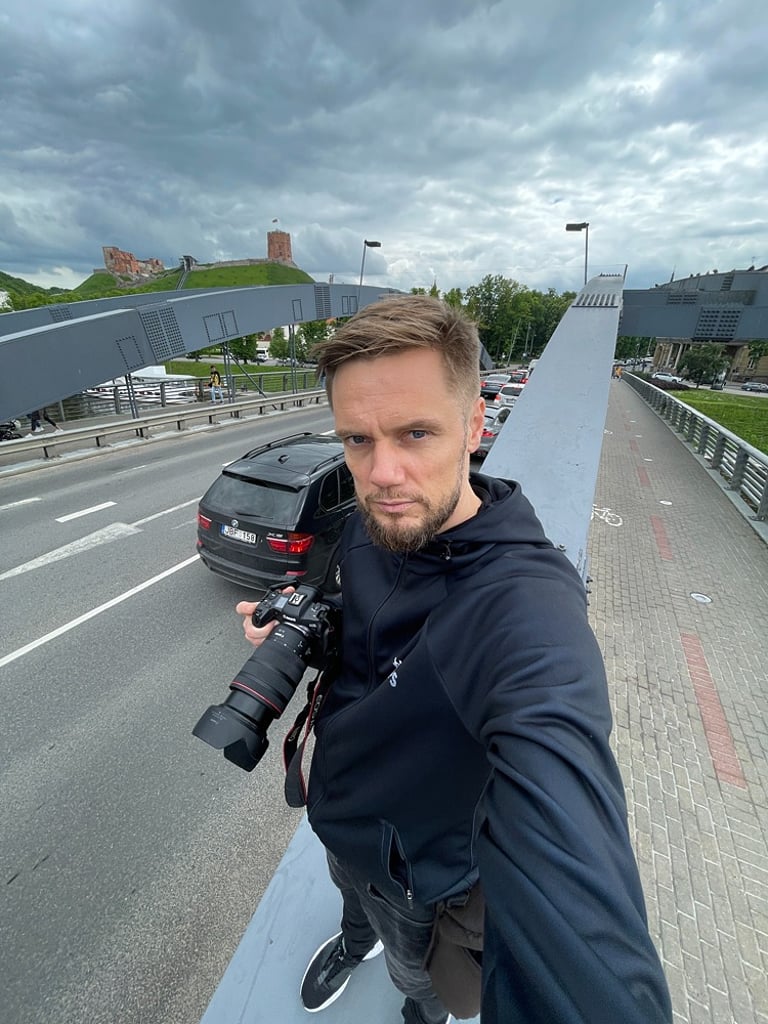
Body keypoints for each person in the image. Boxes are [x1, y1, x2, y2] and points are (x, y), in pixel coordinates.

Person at [237, 295, 672, 1024]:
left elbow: (576, 876)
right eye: (357, 439)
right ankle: (352, 941)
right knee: (351, 898)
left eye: (416, 433)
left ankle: (422, 1010)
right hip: (338, 817)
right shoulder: (376, 523)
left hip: (415, 875)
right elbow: (370, 626)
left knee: (417, 974)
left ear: (474, 426)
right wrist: (312, 629)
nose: (383, 473)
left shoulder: (524, 604)